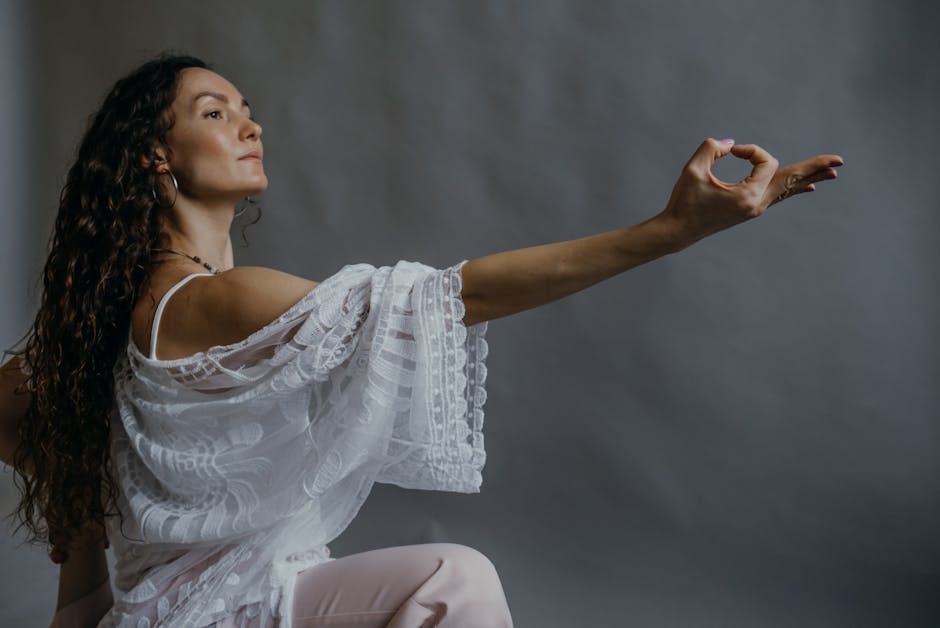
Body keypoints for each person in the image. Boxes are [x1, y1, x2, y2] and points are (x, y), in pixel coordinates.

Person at [0, 50, 843, 627]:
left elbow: (68, 509)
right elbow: (453, 296)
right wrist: (670, 229)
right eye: (215, 113)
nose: (250, 126)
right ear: (156, 156)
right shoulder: (215, 301)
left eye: (248, 110)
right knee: (453, 583)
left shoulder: (96, 329)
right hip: (208, 614)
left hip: (180, 613)